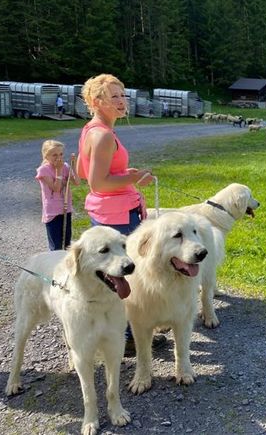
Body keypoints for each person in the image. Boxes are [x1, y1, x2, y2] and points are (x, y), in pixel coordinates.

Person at [77, 73, 162, 355]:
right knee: (125, 274)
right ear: (95, 101)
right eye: (114, 96)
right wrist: (133, 179)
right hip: (118, 216)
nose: (121, 101)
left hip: (106, 212)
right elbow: (96, 182)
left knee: (110, 276)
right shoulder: (102, 135)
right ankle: (127, 336)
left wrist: (125, 175)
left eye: (122, 95)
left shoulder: (91, 130)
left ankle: (117, 333)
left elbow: (80, 171)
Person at [36, 140, 80, 250]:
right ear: (46, 156)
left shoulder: (65, 166)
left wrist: (73, 166)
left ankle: (65, 265)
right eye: (54, 155)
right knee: (56, 245)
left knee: (67, 243)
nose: (58, 157)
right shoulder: (43, 170)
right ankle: (54, 265)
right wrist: (59, 171)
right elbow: (56, 188)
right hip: (52, 212)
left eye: (61, 154)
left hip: (66, 209)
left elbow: (77, 182)